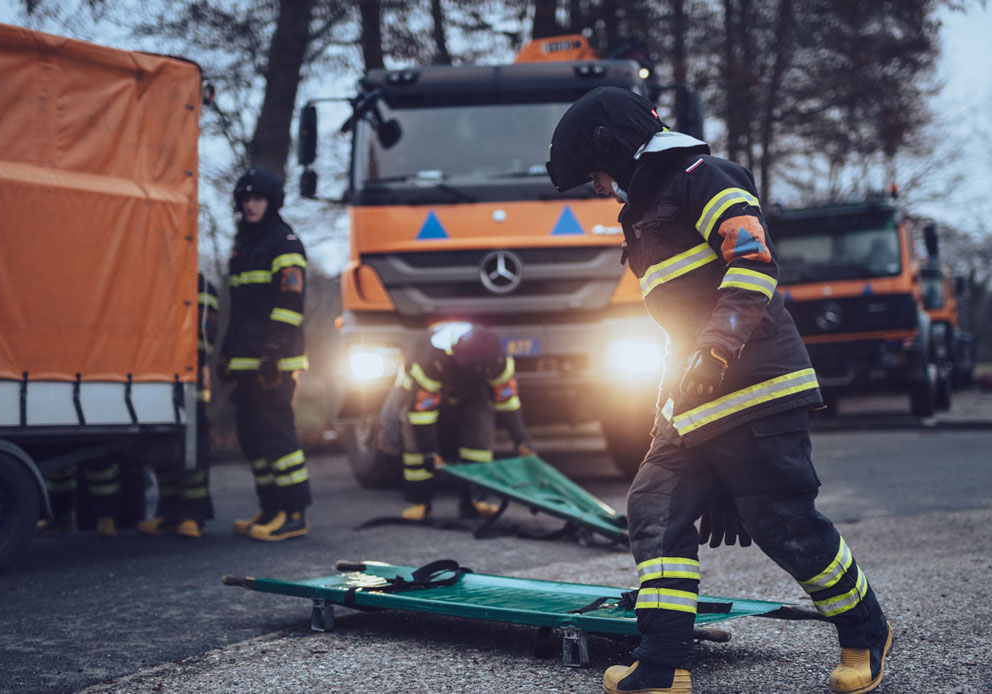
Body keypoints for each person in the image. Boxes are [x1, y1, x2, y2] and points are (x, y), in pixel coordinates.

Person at [547, 87, 891, 694]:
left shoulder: (703, 176)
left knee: (782, 524)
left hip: (756, 387)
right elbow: (677, 330)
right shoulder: (646, 210)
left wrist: (714, 351)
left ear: (614, 147)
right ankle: (663, 663)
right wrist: (671, 403)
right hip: (689, 401)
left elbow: (753, 264)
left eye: (594, 172)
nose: (598, 187)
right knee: (653, 511)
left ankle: (865, 629)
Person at [218, 166, 312, 542]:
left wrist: (273, 352)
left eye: (257, 198)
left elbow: (290, 304)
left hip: (275, 360)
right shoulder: (245, 246)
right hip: (246, 359)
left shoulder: (284, 243)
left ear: (271, 201)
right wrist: (226, 352)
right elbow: (239, 310)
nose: (250, 204)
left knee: (277, 436)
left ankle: (294, 513)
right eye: (245, 199)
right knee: (252, 436)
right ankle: (271, 508)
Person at [379, 323, 534, 520]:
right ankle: (421, 502)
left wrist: (521, 441)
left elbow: (508, 401)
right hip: (423, 391)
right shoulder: (432, 360)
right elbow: (421, 414)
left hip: (471, 391)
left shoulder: (496, 358)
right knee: (414, 443)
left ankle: (473, 502)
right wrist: (430, 452)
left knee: (480, 431)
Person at [138, 272, 219, 538]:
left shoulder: (202, 287)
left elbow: (206, 338)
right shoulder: (159, 282)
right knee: (163, 451)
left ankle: (194, 516)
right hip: (158, 379)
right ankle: (169, 514)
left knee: (191, 452)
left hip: (189, 383)